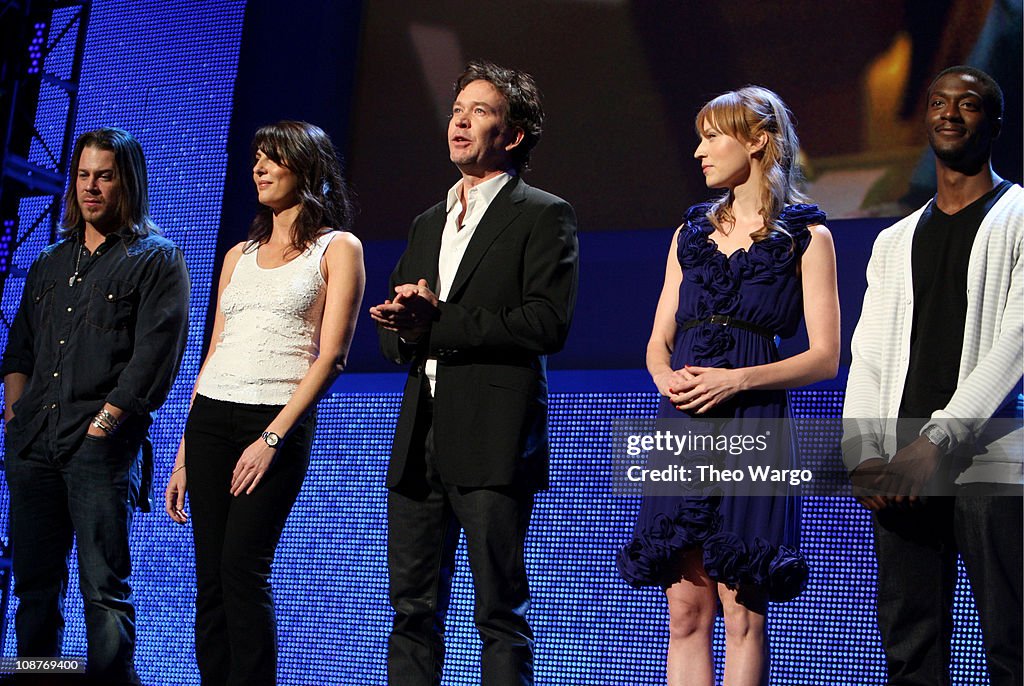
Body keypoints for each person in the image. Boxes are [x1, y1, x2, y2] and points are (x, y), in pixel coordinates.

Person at [616, 87, 839, 686]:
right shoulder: (689, 234)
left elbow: (824, 358)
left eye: (713, 136)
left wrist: (738, 378)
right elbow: (658, 339)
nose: (698, 151)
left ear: (758, 140)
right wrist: (663, 375)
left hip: (755, 423)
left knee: (744, 615)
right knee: (686, 611)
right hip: (683, 425)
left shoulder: (806, 238)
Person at [369, 60, 579, 686]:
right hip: (419, 439)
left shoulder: (543, 214)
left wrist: (439, 321)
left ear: (512, 135)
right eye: (458, 108)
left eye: (480, 111)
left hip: (492, 437)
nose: (460, 120)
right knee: (411, 610)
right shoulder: (427, 221)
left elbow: (547, 323)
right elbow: (401, 335)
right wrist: (401, 326)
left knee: (499, 612)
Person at [163, 121, 364, 685]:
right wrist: (182, 450)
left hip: (272, 420)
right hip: (211, 419)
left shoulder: (337, 248)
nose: (259, 166)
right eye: (257, 156)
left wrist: (272, 437)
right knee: (210, 575)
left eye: (273, 157)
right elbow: (215, 351)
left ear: (308, 168)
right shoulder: (238, 255)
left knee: (242, 569)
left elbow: (332, 356)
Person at [843, 66, 1022, 686]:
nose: (949, 112)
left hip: (990, 457)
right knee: (910, 648)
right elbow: (866, 353)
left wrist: (936, 440)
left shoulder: (1020, 214)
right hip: (900, 466)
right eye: (938, 102)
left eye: (968, 104)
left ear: (993, 123)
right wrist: (863, 452)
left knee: (1012, 638)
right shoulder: (893, 239)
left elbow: (1016, 344)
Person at [1, 127, 190, 684]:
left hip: (100, 448)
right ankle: (41, 676)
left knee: (103, 588)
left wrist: (105, 425)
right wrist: (15, 414)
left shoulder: (156, 260)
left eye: (104, 176)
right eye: (83, 175)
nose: (91, 187)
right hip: (34, 445)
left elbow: (155, 358)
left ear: (125, 182)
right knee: (35, 586)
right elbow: (20, 348)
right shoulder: (49, 261)